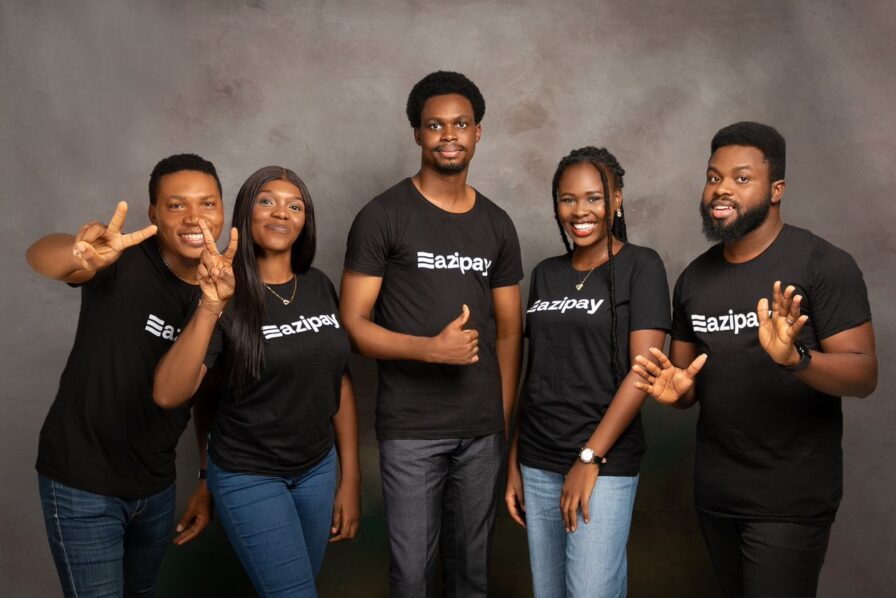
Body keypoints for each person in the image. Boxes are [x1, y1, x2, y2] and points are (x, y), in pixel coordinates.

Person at [632, 122, 878, 597]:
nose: (721, 189)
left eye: (741, 178)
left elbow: (864, 374)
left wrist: (795, 359)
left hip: (790, 499)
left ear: (776, 189)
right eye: (714, 177)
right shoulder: (694, 279)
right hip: (717, 494)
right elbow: (686, 383)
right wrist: (676, 394)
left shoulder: (822, 264)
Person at [340, 70, 523, 597]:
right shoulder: (383, 216)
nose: (449, 135)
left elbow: (510, 330)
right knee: (413, 578)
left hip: (481, 432)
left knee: (471, 576)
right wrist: (429, 350)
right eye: (435, 125)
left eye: (460, 124)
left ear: (478, 132)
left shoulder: (497, 223)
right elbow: (352, 325)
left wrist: (498, 416)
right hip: (411, 430)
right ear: (417, 134)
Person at [153, 165, 361, 597]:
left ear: (305, 221)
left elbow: (337, 381)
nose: (281, 212)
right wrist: (211, 305)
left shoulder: (319, 285)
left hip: (317, 469)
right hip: (249, 474)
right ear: (245, 213)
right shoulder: (222, 294)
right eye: (267, 201)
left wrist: (350, 478)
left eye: (295, 206)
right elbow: (173, 394)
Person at [28, 153, 224, 597]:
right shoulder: (120, 259)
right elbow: (39, 254)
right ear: (153, 213)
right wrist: (77, 254)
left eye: (207, 203)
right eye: (177, 205)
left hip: (155, 486)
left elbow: (194, 395)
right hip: (82, 481)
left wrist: (204, 477)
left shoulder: (223, 290)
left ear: (222, 209)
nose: (195, 218)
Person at [504, 147, 670, 597]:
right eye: (568, 199)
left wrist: (589, 458)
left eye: (594, 198)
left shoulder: (642, 266)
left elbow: (643, 372)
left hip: (604, 463)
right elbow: (536, 373)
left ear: (617, 200)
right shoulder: (545, 274)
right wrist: (515, 458)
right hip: (538, 460)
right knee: (549, 592)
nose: (580, 211)